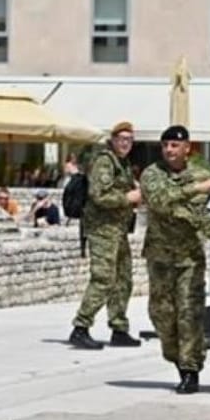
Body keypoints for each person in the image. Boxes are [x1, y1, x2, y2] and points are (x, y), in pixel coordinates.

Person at [140, 126, 210, 393]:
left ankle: (190, 370)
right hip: (159, 257)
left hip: (189, 258)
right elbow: (158, 201)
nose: (169, 150)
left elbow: (209, 217)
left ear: (186, 148)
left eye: (174, 145)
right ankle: (177, 359)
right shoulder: (152, 174)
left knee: (189, 315)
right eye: (166, 145)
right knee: (162, 315)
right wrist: (197, 188)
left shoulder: (202, 175)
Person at [69, 121, 143, 350]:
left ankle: (119, 328)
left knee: (123, 279)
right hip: (102, 229)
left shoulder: (122, 163)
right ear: (112, 140)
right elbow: (98, 195)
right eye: (121, 138)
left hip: (117, 230)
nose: (125, 143)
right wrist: (127, 198)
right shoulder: (104, 161)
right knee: (103, 279)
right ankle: (81, 326)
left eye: (129, 139)